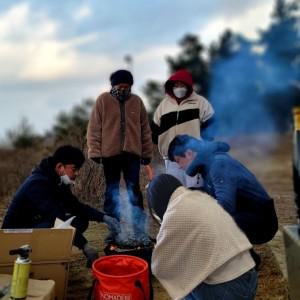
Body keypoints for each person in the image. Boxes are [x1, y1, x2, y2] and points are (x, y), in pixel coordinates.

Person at [1, 145, 120, 268]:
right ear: (59, 167)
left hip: (36, 224)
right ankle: (43, 258)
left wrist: (104, 218)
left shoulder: (58, 181)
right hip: (15, 236)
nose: (77, 173)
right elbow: (57, 219)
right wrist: (85, 246)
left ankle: (49, 254)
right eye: (74, 169)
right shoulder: (37, 184)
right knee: (56, 224)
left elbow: (75, 206)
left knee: (80, 220)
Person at [147, 174, 257, 300]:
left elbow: (159, 266)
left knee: (184, 282)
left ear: (159, 201)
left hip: (230, 289)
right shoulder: (199, 197)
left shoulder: (175, 212)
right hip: (251, 277)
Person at [168, 135, 278, 249]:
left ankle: (245, 261)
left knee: (205, 223)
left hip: (261, 221)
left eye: (178, 161)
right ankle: (243, 255)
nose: (179, 166)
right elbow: (212, 193)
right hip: (248, 213)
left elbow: (225, 205)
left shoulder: (218, 164)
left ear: (189, 153)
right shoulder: (208, 163)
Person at [87, 69, 153, 220]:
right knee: (111, 190)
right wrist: (95, 152)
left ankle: (138, 225)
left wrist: (147, 153)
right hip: (110, 154)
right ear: (113, 86)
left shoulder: (137, 101)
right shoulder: (103, 100)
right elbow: (94, 128)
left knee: (134, 189)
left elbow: (145, 130)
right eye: (120, 87)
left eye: (126, 86)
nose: (123, 89)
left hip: (132, 154)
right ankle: (113, 225)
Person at [151, 69, 215, 188]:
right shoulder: (164, 105)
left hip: (193, 157)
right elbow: (154, 129)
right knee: (176, 192)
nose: (179, 88)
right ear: (171, 87)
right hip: (171, 159)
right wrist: (163, 145)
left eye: (182, 85)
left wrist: (201, 145)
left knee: (195, 192)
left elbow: (211, 124)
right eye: (176, 85)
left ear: (188, 86)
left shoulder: (200, 102)